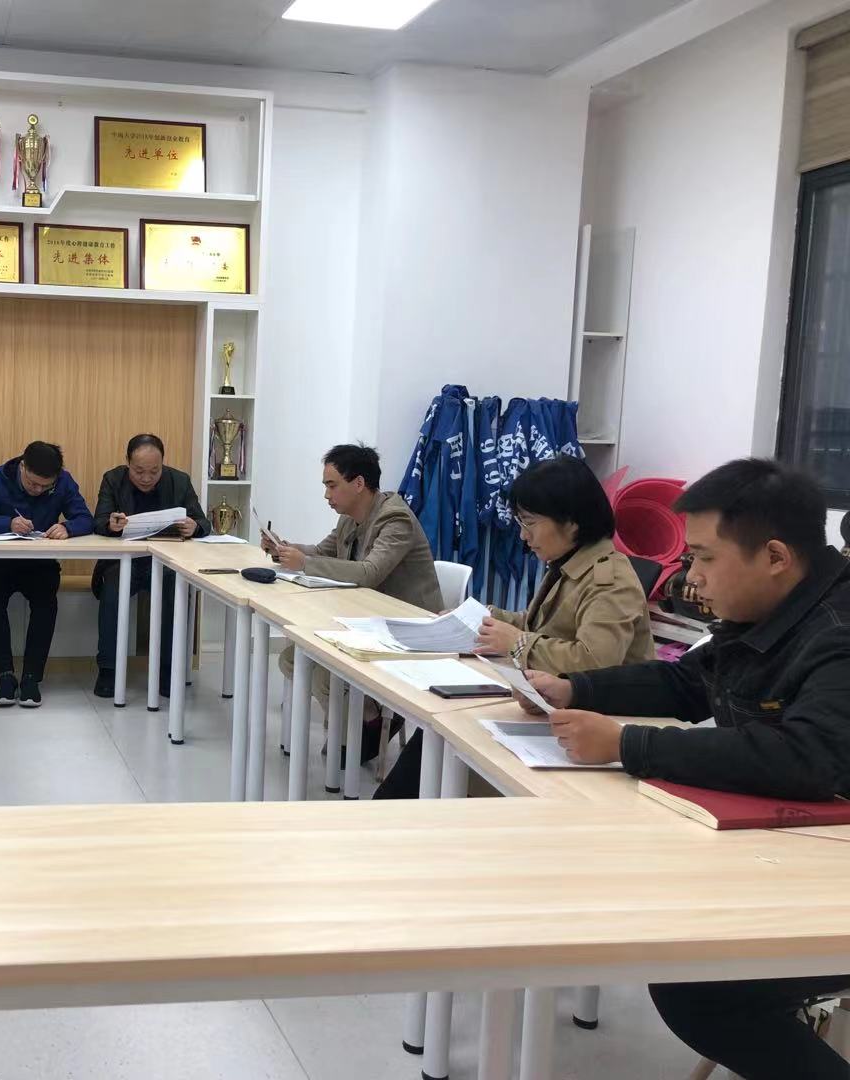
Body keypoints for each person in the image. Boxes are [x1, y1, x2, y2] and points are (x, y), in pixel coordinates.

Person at [522, 459, 850, 1080]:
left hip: (828, 879)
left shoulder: (837, 632)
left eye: (703, 557)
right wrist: (575, 688)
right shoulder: (773, 610)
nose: (689, 575)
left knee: (703, 988)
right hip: (788, 849)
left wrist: (627, 743)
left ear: (774, 557)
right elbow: (686, 683)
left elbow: (808, 757)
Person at [374, 454, 655, 799]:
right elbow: (541, 624)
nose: (524, 536)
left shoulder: (608, 580)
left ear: (571, 522)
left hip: (600, 725)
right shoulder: (570, 564)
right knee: (438, 735)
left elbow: (595, 661)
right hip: (554, 705)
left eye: (530, 523)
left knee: (452, 740)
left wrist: (518, 642)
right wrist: (484, 617)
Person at [270, 444, 442, 761]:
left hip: (406, 628)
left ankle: (368, 725)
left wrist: (303, 563)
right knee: (292, 659)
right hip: (365, 619)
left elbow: (369, 573)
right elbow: (321, 552)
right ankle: (361, 719)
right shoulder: (349, 519)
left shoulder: (396, 519)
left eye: (332, 485)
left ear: (359, 483)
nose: (326, 495)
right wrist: (285, 548)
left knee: (325, 674)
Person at [0, 440, 93, 708]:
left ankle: (32, 677)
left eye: (45, 487)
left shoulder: (63, 482)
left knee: (46, 605)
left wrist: (68, 527)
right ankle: (5, 675)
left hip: (40, 563)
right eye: (32, 483)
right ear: (22, 467)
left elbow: (86, 518)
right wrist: (6, 523)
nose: (38, 490)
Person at [91, 434, 211, 699]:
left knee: (175, 591)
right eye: (139, 471)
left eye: (154, 471)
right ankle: (108, 669)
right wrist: (111, 524)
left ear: (163, 464)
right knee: (113, 590)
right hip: (124, 562)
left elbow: (203, 522)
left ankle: (168, 670)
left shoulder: (179, 481)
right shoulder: (113, 479)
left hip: (165, 563)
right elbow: (98, 521)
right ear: (127, 463)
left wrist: (195, 527)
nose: (146, 478)